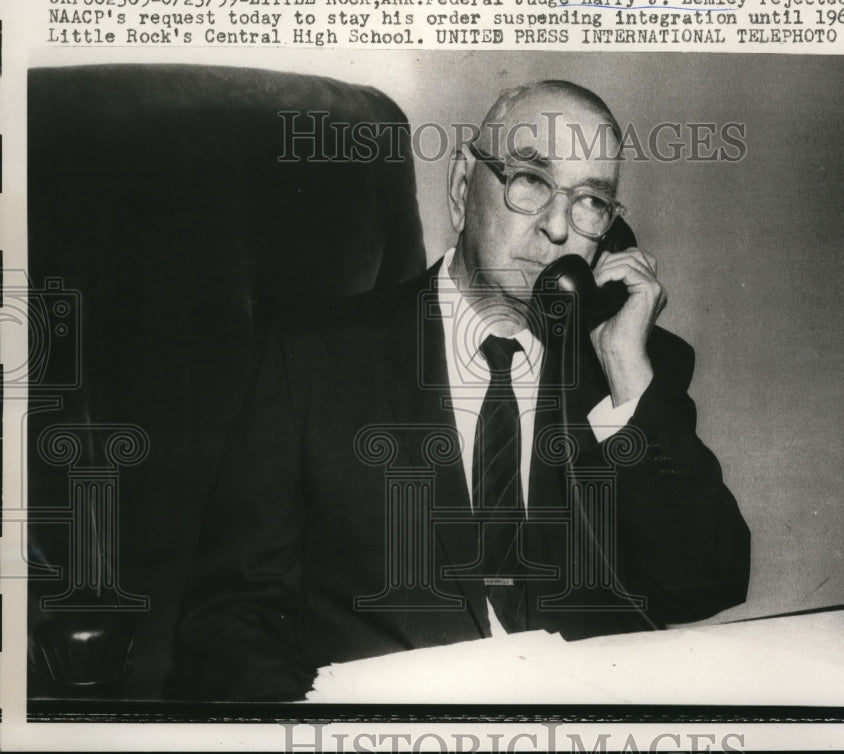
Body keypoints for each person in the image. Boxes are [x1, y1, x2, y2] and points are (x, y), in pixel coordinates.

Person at [169, 80, 751, 701]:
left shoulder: (628, 363)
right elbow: (229, 614)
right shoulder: (314, 359)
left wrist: (625, 376)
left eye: (590, 202)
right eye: (530, 179)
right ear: (460, 188)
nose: (558, 227)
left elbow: (705, 583)